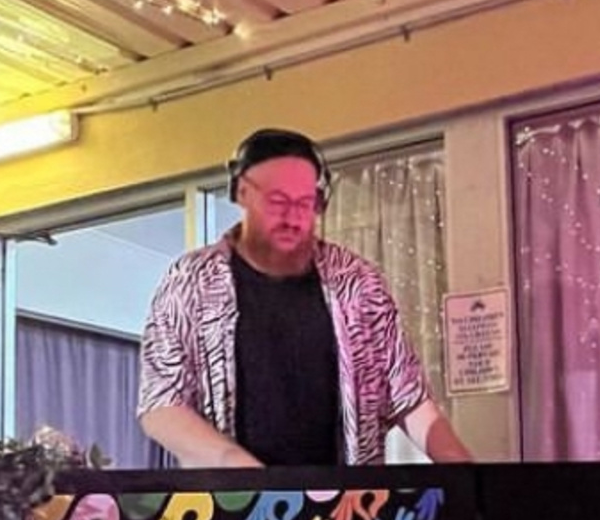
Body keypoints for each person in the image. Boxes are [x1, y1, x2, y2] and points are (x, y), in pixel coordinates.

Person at [137, 128, 473, 467]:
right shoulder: (190, 281)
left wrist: (470, 481)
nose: (292, 217)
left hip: (348, 507)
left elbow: (409, 397)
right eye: (277, 201)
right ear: (241, 193)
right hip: (231, 507)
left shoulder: (357, 283)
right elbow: (161, 405)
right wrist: (236, 466)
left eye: (305, 202)